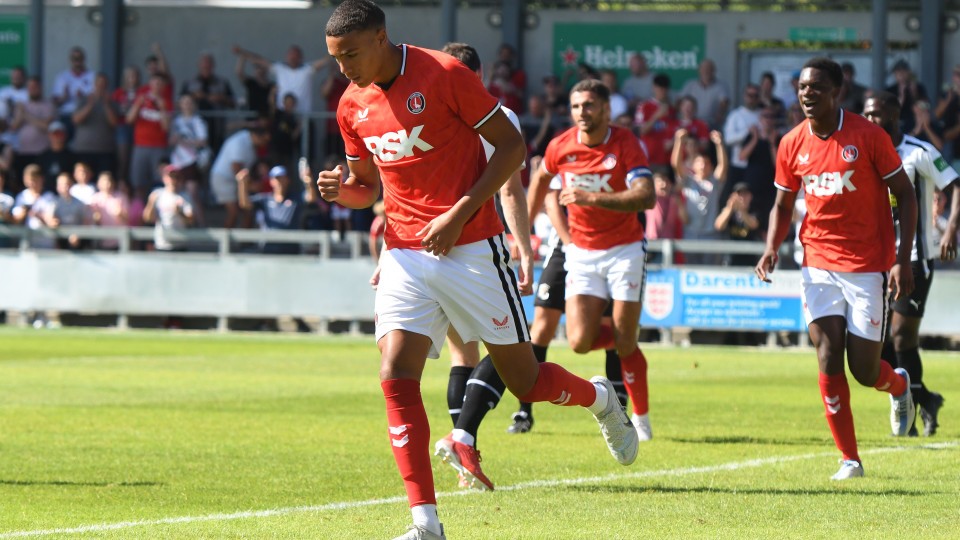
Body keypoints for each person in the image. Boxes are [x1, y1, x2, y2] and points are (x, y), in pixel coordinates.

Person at [321, 3, 639, 538]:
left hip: (471, 248)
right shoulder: (351, 104)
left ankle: (602, 398)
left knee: (528, 381)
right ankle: (425, 523)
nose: (343, 68)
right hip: (404, 252)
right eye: (335, 58)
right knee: (395, 377)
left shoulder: (445, 75)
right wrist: (340, 191)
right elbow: (366, 188)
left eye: (351, 54)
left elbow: (512, 148)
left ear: (381, 37)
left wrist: (457, 214)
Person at [755, 57, 917, 481]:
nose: (807, 94)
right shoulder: (791, 143)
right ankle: (850, 459)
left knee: (864, 371)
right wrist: (771, 246)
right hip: (817, 263)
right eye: (802, 87)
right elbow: (783, 203)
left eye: (816, 88)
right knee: (827, 355)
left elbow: (906, 195)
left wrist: (903, 259)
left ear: (836, 92)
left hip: (867, 266)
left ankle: (898, 385)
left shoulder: (868, 136)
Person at [427, 41, 535, 487]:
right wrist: (524, 248)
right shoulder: (499, 118)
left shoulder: (426, 109)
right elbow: (510, 192)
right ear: (479, 74)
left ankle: (463, 461)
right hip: (476, 246)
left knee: (461, 353)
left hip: (428, 245)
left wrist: (386, 254)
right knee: (509, 351)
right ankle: (463, 436)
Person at [533, 78, 657, 439]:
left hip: (625, 251)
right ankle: (625, 338)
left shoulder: (625, 143)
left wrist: (592, 198)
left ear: (606, 109)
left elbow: (646, 196)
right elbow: (541, 185)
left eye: (589, 105)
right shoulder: (561, 146)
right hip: (583, 253)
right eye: (576, 107)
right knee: (578, 342)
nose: (581, 113)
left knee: (624, 342)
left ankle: (642, 417)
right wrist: (525, 234)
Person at [863, 92, 960, 437]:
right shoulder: (866, 152)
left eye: (877, 113)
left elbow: (955, 183)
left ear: (894, 113)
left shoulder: (919, 151)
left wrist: (949, 229)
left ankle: (911, 412)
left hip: (916, 259)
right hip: (876, 260)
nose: (871, 119)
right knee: (881, 344)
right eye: (866, 114)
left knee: (902, 337)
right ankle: (925, 399)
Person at [673, 129, 727, 264]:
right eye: (700, 162)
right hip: (691, 233)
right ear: (693, 166)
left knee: (711, 271)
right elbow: (676, 164)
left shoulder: (714, 182)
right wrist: (679, 142)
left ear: (710, 166)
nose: (703, 165)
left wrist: (719, 144)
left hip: (711, 235)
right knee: (690, 270)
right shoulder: (688, 180)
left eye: (706, 163)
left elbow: (723, 166)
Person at [232, 44, 330, 114]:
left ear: (300, 57)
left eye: (295, 55)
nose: (293, 57)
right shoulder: (279, 68)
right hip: (282, 116)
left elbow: (325, 60)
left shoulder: (307, 70)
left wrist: (339, 49)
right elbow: (259, 60)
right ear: (286, 56)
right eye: (291, 55)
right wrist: (243, 52)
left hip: (303, 117)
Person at [237, 165, 310, 254]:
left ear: (288, 180)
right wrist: (242, 183)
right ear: (271, 181)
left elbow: (311, 198)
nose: (280, 181)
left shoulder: (296, 198)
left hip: (291, 250)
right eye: (277, 178)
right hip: (269, 248)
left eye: (282, 178)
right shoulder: (264, 199)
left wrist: (308, 181)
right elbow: (245, 204)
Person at [208, 127, 271, 229]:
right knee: (234, 212)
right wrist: (250, 186)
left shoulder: (255, 145)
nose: (265, 143)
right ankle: (224, 242)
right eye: (264, 140)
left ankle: (244, 242)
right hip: (223, 179)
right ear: (256, 136)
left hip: (238, 181)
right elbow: (236, 168)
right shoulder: (240, 142)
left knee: (248, 210)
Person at [127, 73, 173, 203]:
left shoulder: (167, 102)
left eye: (160, 83)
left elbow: (166, 127)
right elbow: (129, 120)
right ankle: (139, 216)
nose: (157, 86)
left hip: (159, 147)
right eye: (155, 83)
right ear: (150, 84)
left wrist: (162, 108)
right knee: (138, 183)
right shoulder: (141, 98)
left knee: (159, 183)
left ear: (164, 86)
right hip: (140, 146)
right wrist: (138, 104)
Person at [71, 72, 118, 176]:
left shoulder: (111, 102)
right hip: (84, 150)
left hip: (105, 151)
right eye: (99, 84)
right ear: (94, 84)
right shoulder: (84, 100)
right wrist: (90, 104)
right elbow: (76, 120)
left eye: (104, 84)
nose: (101, 87)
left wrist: (106, 104)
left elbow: (114, 123)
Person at [143, 164, 194, 252]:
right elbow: (147, 218)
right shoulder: (157, 194)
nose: (173, 180)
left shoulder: (185, 197)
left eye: (177, 177)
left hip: (180, 244)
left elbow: (191, 221)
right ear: (164, 178)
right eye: (171, 177)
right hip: (162, 244)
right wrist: (151, 203)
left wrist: (180, 213)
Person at [634, 73, 676, 168]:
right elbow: (641, 131)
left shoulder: (672, 109)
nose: (662, 91)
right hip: (648, 157)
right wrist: (656, 116)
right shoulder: (644, 106)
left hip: (667, 159)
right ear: (654, 87)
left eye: (664, 89)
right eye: (659, 88)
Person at [680, 59, 730, 131]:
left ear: (714, 71)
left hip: (711, 123)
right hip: (692, 122)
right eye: (703, 69)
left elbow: (724, 102)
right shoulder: (690, 85)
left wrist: (720, 115)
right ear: (699, 70)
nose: (706, 71)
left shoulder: (721, 86)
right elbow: (680, 101)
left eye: (709, 69)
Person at [88, 170, 129, 250]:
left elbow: (127, 219)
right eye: (104, 182)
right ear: (98, 183)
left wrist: (120, 214)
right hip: (101, 239)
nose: (107, 185)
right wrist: (95, 217)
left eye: (109, 182)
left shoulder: (121, 197)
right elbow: (91, 220)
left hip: (118, 239)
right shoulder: (95, 199)